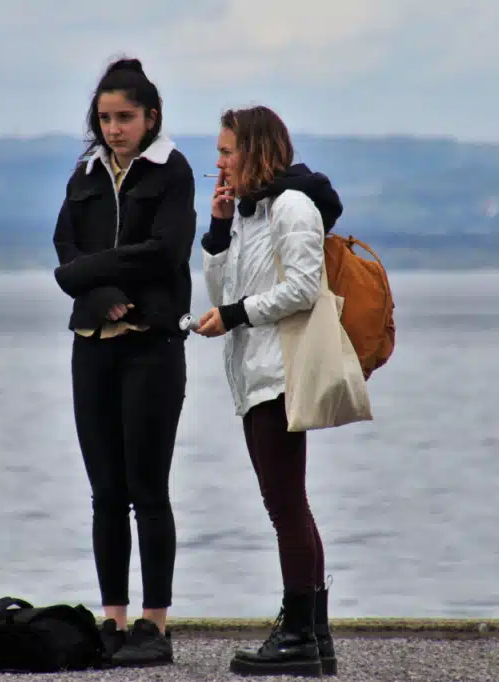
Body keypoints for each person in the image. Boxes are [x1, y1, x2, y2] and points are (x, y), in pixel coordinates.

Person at [51, 57, 196, 667]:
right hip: (93, 343)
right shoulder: (85, 172)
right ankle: (112, 618)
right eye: (106, 118)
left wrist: (86, 275)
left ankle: (154, 625)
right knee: (105, 491)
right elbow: (66, 245)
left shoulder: (171, 171)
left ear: (150, 117)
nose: (114, 129)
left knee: (148, 487)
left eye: (126, 118)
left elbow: (166, 251)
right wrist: (101, 293)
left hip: (152, 346)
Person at [192, 106, 343, 678]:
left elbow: (304, 287)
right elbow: (223, 287)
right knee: (290, 504)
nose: (219, 162)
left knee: (284, 506)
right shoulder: (251, 213)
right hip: (253, 372)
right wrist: (217, 229)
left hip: (280, 373)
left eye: (226, 151)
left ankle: (299, 633)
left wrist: (232, 315)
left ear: (255, 150)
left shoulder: (293, 206)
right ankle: (316, 634)